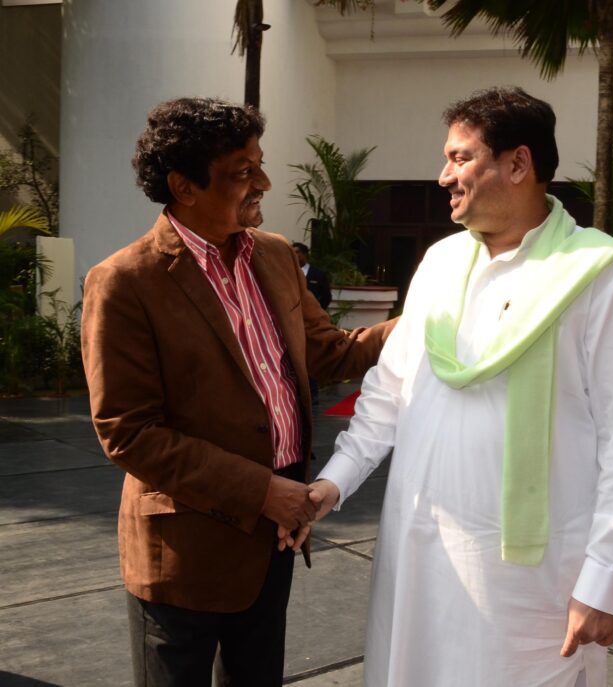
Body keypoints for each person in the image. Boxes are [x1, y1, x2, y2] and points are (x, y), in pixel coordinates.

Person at [294, 87, 613, 686]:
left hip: (532, 581)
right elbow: (389, 394)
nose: (443, 176)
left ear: (518, 164)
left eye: (461, 158)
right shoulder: (440, 262)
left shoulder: (601, 278)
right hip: (416, 561)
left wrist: (609, 581)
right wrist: (330, 486)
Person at [80, 97, 393, 687]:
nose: (264, 183)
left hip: (273, 539)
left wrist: (431, 315)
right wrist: (262, 491)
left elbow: (332, 351)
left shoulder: (272, 256)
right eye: (244, 172)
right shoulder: (124, 283)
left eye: (260, 165)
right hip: (184, 555)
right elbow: (129, 433)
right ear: (184, 185)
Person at [292, 241, 332, 309]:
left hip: (312, 312)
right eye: (292, 253)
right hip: (293, 314)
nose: (294, 255)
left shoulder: (318, 274)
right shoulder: (289, 273)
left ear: (304, 254)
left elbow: (326, 296)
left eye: (297, 252)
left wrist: (318, 310)